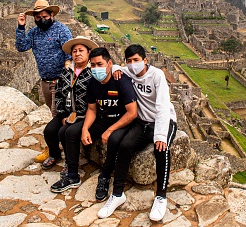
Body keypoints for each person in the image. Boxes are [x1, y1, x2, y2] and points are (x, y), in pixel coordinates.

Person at [98, 44, 177, 221]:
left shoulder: (157, 75)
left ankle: (161, 196)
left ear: (145, 60)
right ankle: (117, 194)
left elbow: (163, 106)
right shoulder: (128, 72)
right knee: (125, 146)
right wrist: (118, 68)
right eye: (129, 61)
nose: (133, 64)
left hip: (163, 121)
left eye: (136, 60)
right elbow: (116, 67)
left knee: (161, 149)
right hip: (142, 123)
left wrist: (160, 136)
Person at [50, 47, 138, 196]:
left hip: (120, 121)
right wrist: (85, 129)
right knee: (71, 132)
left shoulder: (120, 81)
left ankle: (104, 177)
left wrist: (110, 130)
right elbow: (92, 110)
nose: (96, 68)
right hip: (102, 119)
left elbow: (132, 112)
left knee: (114, 140)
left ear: (109, 64)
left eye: (100, 64)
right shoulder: (93, 83)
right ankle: (72, 175)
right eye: (93, 65)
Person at [15, 0, 72, 163]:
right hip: (45, 81)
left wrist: (67, 68)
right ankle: (58, 145)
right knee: (52, 112)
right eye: (38, 17)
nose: (41, 19)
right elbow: (21, 46)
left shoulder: (61, 30)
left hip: (60, 81)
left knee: (57, 115)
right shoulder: (34, 33)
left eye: (44, 16)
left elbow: (69, 50)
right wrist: (20, 27)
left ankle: (54, 150)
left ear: (52, 15)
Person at [40, 36, 98, 169]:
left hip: (84, 114)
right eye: (74, 51)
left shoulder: (93, 72)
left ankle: (70, 162)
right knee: (49, 131)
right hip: (67, 112)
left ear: (88, 52)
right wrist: (62, 115)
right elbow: (59, 94)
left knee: (66, 132)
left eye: (81, 50)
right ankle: (55, 154)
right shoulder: (66, 72)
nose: (77, 54)